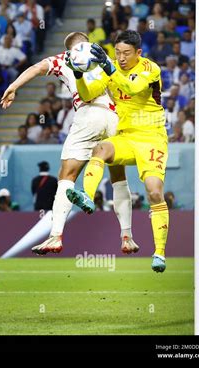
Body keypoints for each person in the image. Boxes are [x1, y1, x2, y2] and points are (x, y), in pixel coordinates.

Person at [1, 31, 139, 256]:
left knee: (67, 176)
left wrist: (14, 87)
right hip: (113, 116)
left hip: (87, 115)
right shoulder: (103, 55)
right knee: (118, 177)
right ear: (86, 41)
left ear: (69, 47)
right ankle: (127, 237)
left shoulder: (63, 58)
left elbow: (35, 69)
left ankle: (55, 236)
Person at [66, 30, 169, 273]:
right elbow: (86, 95)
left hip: (152, 138)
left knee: (154, 192)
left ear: (138, 53)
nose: (121, 58)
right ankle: (88, 196)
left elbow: (132, 88)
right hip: (126, 136)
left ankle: (160, 253)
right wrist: (79, 74)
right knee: (100, 148)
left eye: (126, 53)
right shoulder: (108, 67)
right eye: (117, 53)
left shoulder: (150, 69)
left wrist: (107, 67)